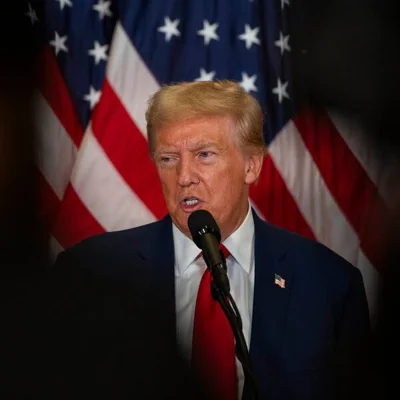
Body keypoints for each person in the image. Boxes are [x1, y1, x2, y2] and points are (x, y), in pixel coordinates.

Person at [50, 80, 372, 399]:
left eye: (204, 154)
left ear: (252, 165)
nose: (185, 176)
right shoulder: (89, 274)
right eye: (168, 158)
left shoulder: (331, 287)